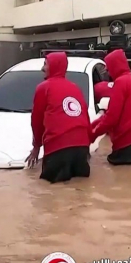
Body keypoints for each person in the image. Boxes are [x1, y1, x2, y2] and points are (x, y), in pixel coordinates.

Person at [26, 52, 92, 183]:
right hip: (81, 149)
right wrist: (87, 146)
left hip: (58, 148)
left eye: (45, 64)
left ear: (54, 66)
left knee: (50, 194)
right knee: (81, 191)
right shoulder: (75, 88)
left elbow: (37, 120)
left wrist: (36, 147)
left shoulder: (44, 88)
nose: (42, 68)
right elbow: (85, 117)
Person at [91, 50, 131, 165]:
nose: (108, 71)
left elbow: (112, 118)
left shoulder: (121, 83)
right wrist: (93, 125)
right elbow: (114, 113)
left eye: (108, 67)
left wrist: (93, 135)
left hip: (129, 145)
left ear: (115, 65)